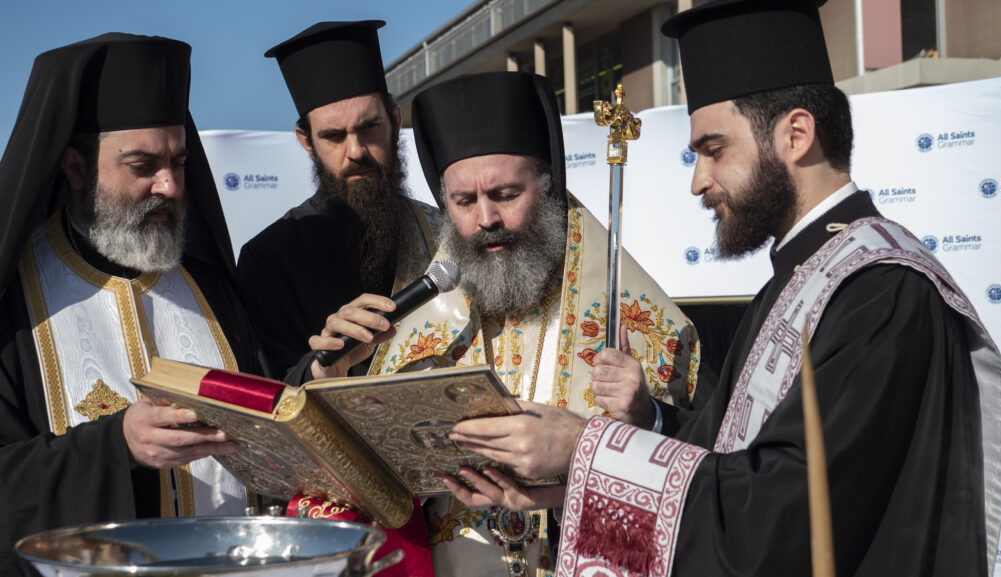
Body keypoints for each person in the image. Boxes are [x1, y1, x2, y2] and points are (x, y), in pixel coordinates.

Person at [444, 2, 1001, 576]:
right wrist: (614, 449)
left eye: (714, 150)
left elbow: (782, 512)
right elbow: (721, 451)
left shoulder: (881, 291)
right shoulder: (801, 278)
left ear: (796, 134)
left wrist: (584, 449)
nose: (698, 181)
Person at [303, 71, 700, 577]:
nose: (486, 218)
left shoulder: (635, 318)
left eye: (506, 194)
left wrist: (636, 420)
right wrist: (337, 382)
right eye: (463, 203)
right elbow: (376, 485)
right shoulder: (424, 315)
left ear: (548, 187)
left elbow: (700, 477)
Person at [0, 33, 264, 571]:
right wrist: (115, 446)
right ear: (75, 168)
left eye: (179, 162)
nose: (168, 185)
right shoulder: (12, 304)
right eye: (143, 166)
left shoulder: (210, 289)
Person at [237, 21, 443, 379]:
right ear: (306, 140)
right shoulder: (269, 259)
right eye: (334, 136)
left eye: (368, 128)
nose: (356, 151)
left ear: (395, 121)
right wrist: (322, 366)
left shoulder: (443, 237)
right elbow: (268, 398)